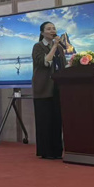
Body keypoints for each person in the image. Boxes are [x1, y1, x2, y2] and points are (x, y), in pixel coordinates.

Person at [31, 22, 66, 159]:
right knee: (45, 120)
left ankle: (57, 151)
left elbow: (62, 66)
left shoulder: (60, 48)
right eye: (49, 29)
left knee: (57, 120)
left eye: (54, 28)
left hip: (58, 87)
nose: (52, 31)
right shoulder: (38, 46)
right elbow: (45, 62)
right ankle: (46, 151)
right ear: (42, 33)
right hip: (43, 87)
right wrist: (55, 46)